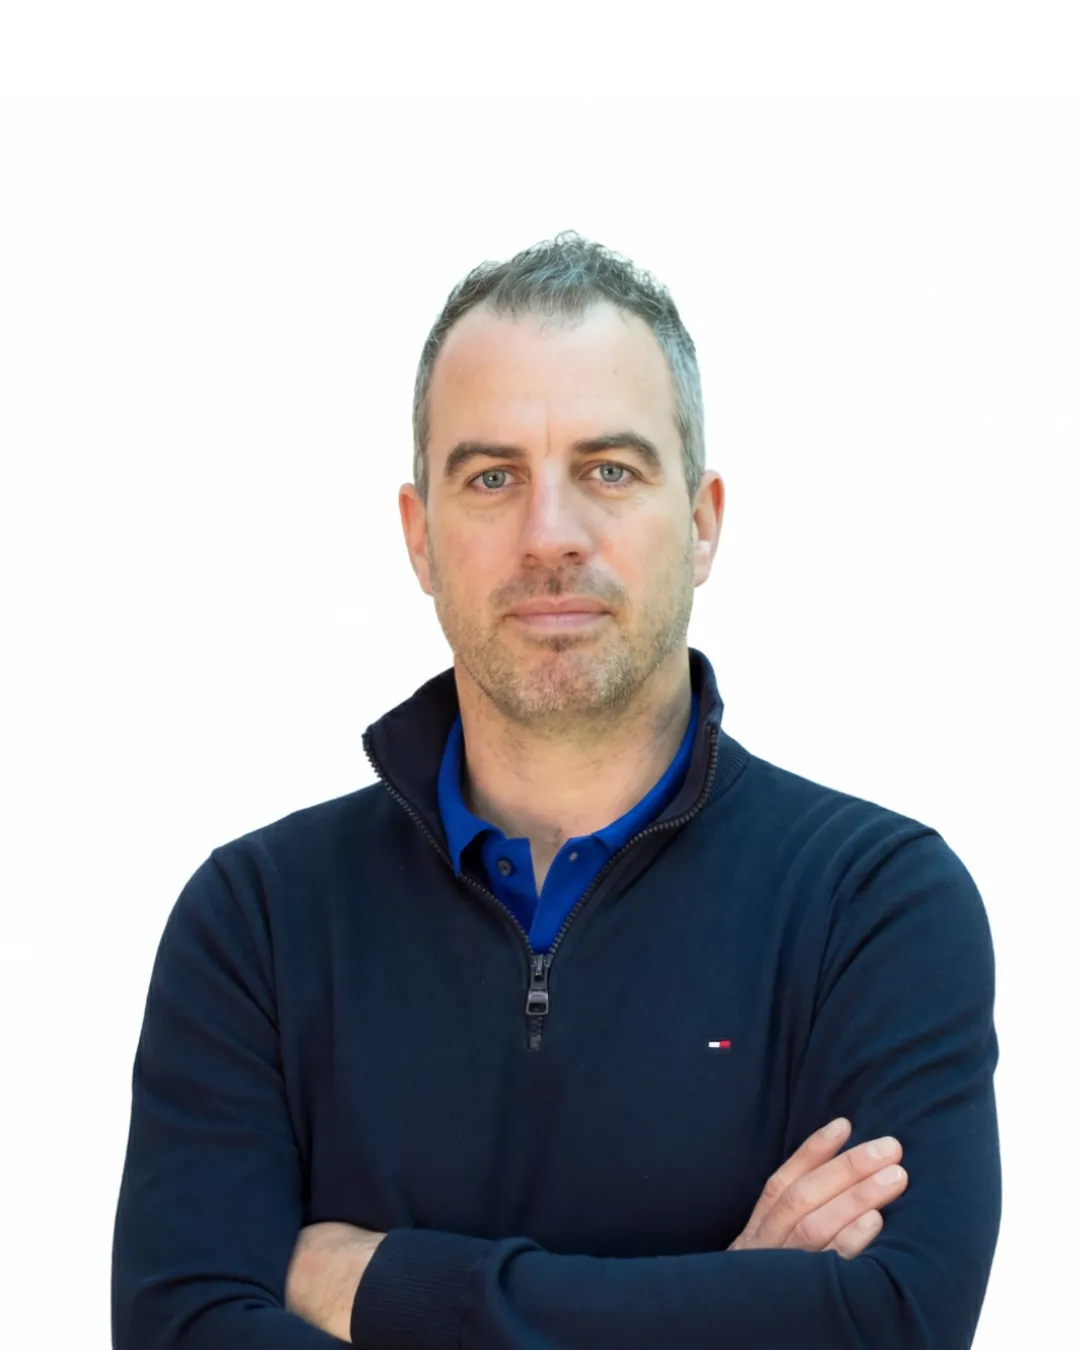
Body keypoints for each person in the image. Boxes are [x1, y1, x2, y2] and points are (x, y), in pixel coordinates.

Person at [111, 232, 1001, 1349]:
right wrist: (731, 1307)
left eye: (608, 470)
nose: (551, 537)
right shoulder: (258, 922)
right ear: (419, 537)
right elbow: (182, 1330)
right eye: (492, 478)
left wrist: (382, 1286)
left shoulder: (871, 905)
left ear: (703, 521)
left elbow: (889, 1324)